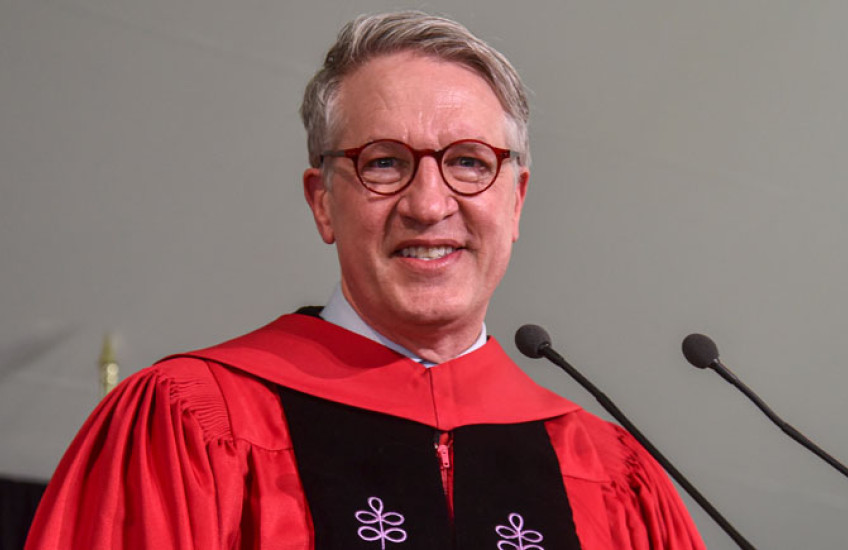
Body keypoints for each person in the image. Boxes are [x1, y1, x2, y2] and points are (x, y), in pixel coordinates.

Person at [26, 11, 705, 550]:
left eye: (470, 162)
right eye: (383, 163)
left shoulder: (614, 475)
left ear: (517, 200)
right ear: (323, 201)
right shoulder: (188, 423)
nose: (429, 204)